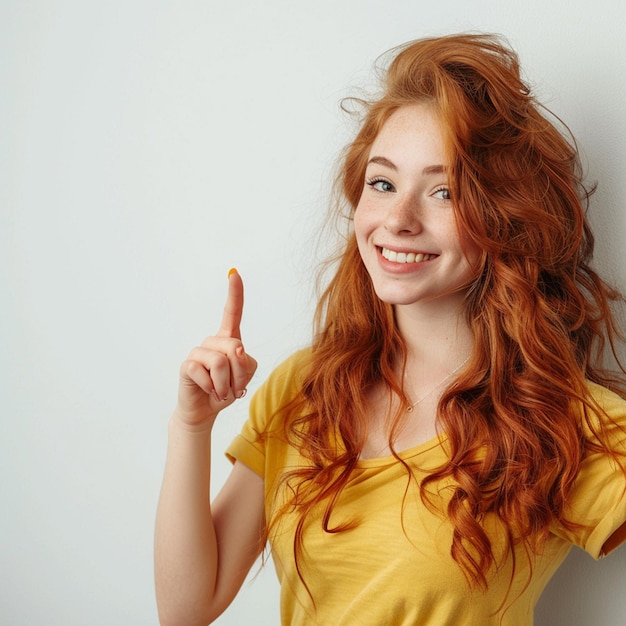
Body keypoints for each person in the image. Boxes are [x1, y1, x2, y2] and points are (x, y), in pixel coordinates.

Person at [154, 33, 626, 625]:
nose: (398, 220)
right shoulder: (303, 386)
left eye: (444, 191)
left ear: (501, 215)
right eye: (383, 183)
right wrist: (190, 423)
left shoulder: (559, 418)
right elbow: (184, 609)